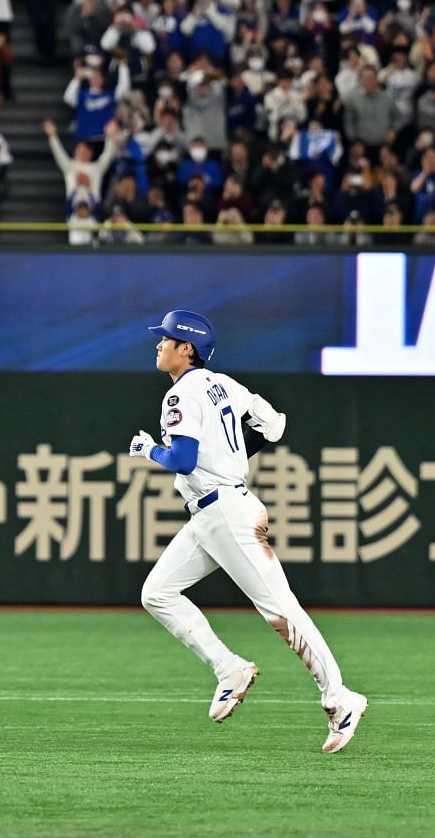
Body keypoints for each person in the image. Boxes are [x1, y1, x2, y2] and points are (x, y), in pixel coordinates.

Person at [130, 309, 369, 754]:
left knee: (281, 611)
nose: (158, 345)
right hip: (212, 512)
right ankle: (229, 668)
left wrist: (149, 449)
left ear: (188, 348)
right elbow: (274, 424)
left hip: (226, 512)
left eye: (166, 339)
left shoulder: (180, 394)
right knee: (158, 593)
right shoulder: (227, 385)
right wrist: (232, 453)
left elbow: (181, 460)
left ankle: (340, 698)